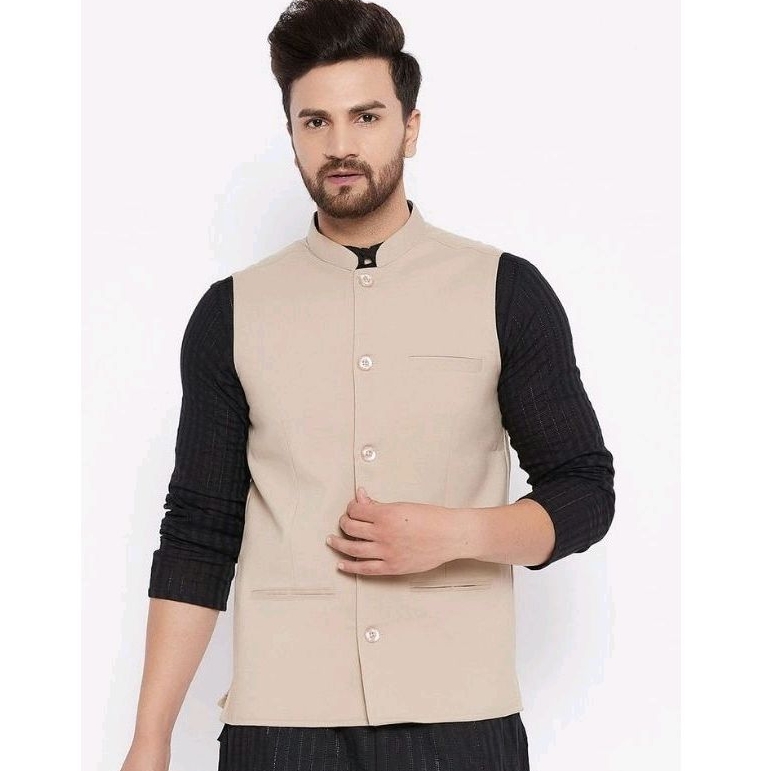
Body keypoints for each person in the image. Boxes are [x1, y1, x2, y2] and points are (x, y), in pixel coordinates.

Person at [120, 1, 615, 769]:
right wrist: (149, 740)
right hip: (281, 722)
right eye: (314, 121)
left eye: (366, 116)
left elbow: (583, 491)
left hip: (460, 718)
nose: (340, 145)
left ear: (409, 128)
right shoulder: (232, 312)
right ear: (291, 135)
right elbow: (197, 531)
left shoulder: (503, 291)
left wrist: (455, 534)